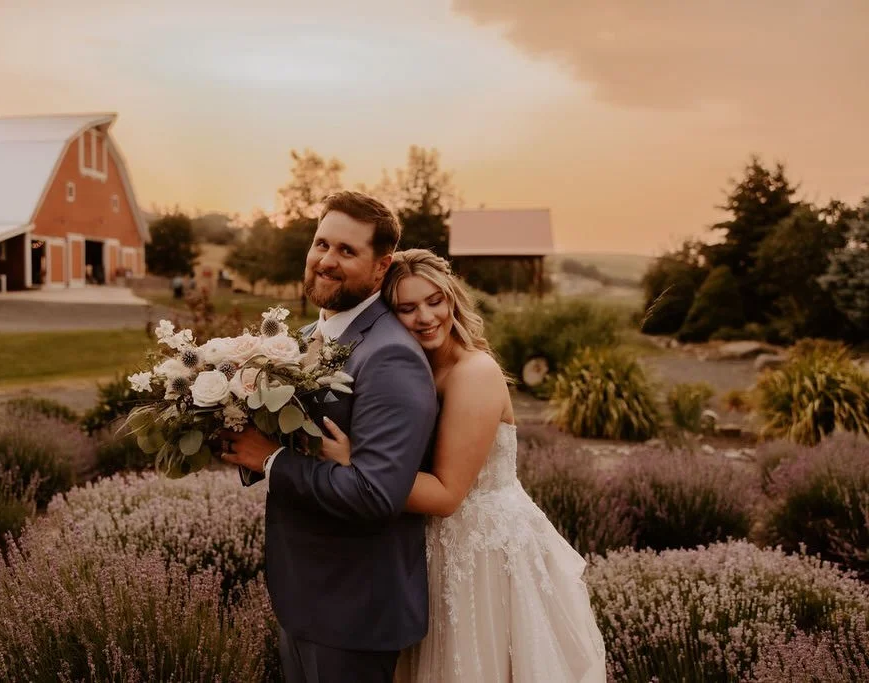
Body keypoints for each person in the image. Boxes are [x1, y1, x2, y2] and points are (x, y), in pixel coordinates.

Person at [317, 249, 608, 683]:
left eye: (435, 301)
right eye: (407, 308)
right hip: (435, 547)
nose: (426, 317)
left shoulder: (474, 373)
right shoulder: (417, 369)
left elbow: (449, 495)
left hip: (482, 553)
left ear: (453, 298)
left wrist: (356, 462)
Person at [222, 192, 438, 683]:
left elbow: (377, 494)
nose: (326, 260)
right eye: (322, 243)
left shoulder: (390, 357)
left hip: (354, 608)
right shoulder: (299, 340)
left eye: (347, 251)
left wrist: (270, 460)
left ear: (381, 267)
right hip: (305, 594)